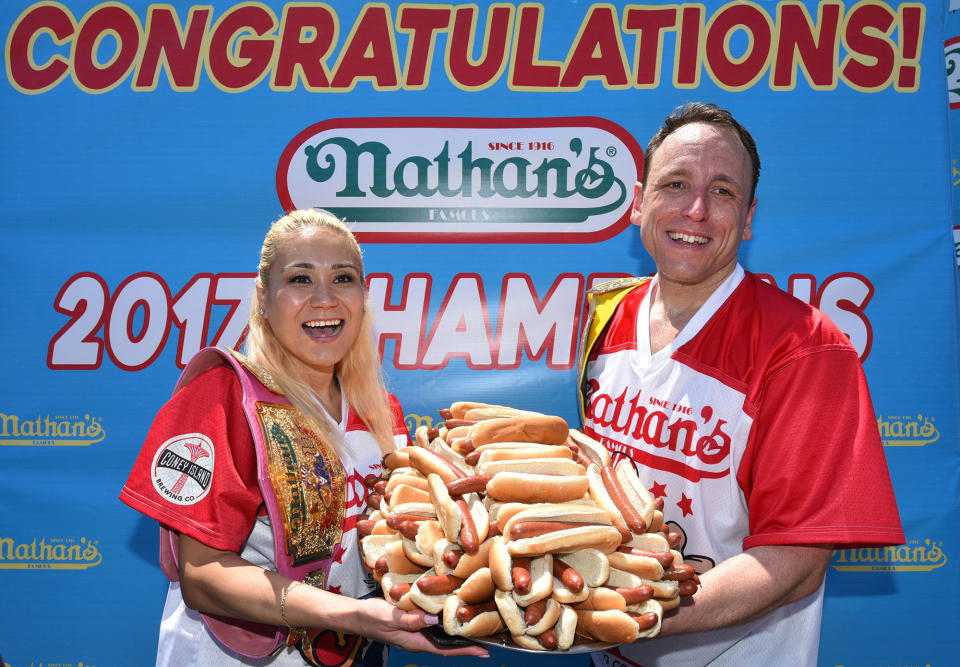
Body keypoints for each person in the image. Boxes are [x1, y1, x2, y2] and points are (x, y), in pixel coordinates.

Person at [577, 103, 903, 666]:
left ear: (748, 218)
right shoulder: (610, 313)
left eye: (723, 192)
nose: (696, 209)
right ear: (638, 202)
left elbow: (795, 565)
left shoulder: (805, 348)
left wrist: (627, 616)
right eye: (675, 184)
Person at [120, 209, 488, 665]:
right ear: (263, 298)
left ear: (363, 295)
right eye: (299, 279)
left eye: (343, 278)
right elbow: (203, 576)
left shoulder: (380, 412)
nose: (324, 299)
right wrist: (352, 615)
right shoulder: (224, 395)